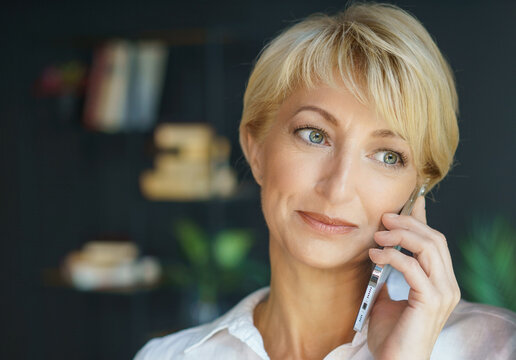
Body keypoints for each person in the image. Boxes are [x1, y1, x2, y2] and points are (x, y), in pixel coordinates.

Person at [134, 2, 516, 359]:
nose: (337, 188)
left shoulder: (496, 347)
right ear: (256, 149)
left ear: (418, 189)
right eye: (314, 135)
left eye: (387, 156)